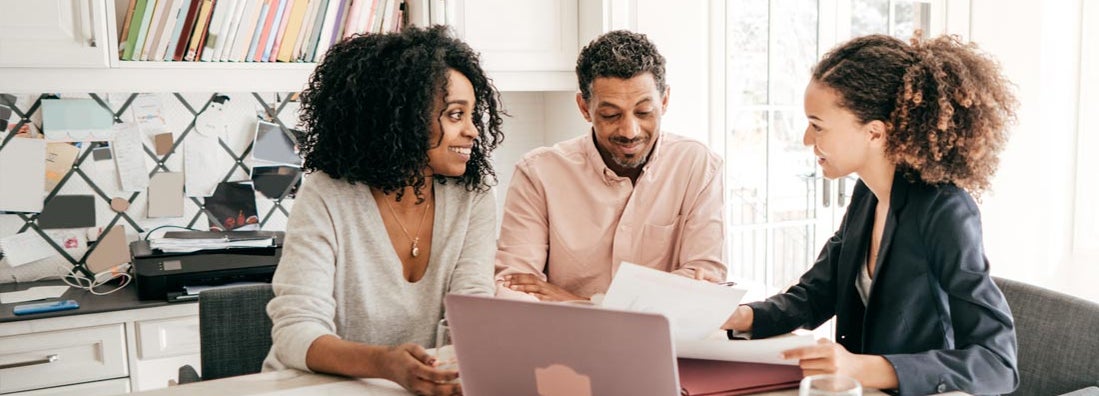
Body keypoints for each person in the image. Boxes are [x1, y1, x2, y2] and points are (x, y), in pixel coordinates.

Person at [722, 34, 1019, 395]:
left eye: (817, 125)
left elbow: (997, 364)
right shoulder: (868, 194)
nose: (805, 138)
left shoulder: (945, 211)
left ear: (875, 133)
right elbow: (818, 293)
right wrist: (740, 317)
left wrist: (863, 368)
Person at [262, 26, 505, 396]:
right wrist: (385, 363)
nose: (473, 131)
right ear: (403, 117)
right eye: (455, 115)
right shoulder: (328, 195)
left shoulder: (473, 197)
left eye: (473, 115)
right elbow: (295, 332)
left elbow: (472, 314)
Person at [495, 30, 726, 302]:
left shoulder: (698, 167)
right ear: (584, 107)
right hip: (565, 343)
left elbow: (706, 282)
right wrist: (663, 293)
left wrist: (580, 303)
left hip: (664, 343)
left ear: (664, 101)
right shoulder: (537, 174)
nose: (630, 131)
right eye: (610, 115)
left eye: (643, 112)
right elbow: (515, 288)